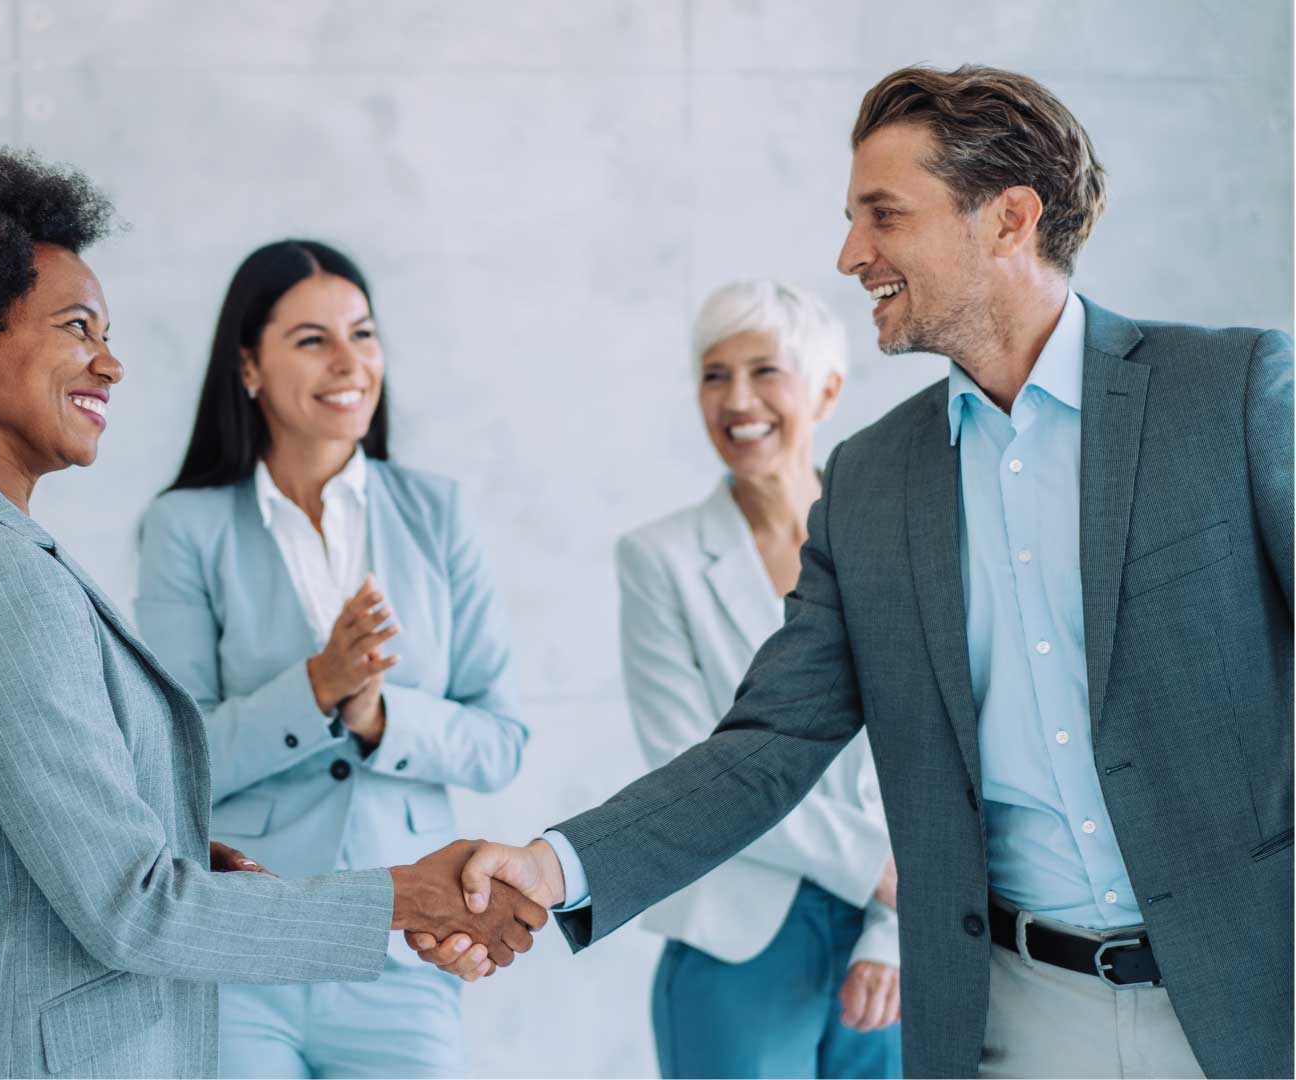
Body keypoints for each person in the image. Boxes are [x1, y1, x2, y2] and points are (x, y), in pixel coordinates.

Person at [416, 64, 1293, 1079]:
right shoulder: (874, 481)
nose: (849, 255)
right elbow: (770, 741)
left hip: (1258, 991)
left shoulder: (1227, 394)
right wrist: (553, 864)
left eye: (884, 216)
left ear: (1008, 219)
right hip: (1016, 1021)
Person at [0, 144, 544, 1079]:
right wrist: (404, 898)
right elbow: (133, 907)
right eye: (77, 326)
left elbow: (44, 822)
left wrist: (186, 843)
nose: (112, 363)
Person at [136, 239, 528, 1078]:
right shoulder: (187, 528)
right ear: (249, 367)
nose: (349, 361)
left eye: (363, 333)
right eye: (312, 339)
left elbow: (501, 740)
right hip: (245, 950)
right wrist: (317, 687)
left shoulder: (437, 513)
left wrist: (379, 715)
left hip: (403, 953)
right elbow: (172, 761)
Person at [616, 279, 899, 1077]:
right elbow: (691, 773)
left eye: (764, 370)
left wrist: (896, 925)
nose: (737, 399)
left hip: (894, 940)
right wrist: (872, 870)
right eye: (714, 374)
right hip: (734, 939)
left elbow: (932, 747)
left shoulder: (893, 541)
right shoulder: (658, 560)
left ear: (828, 388)